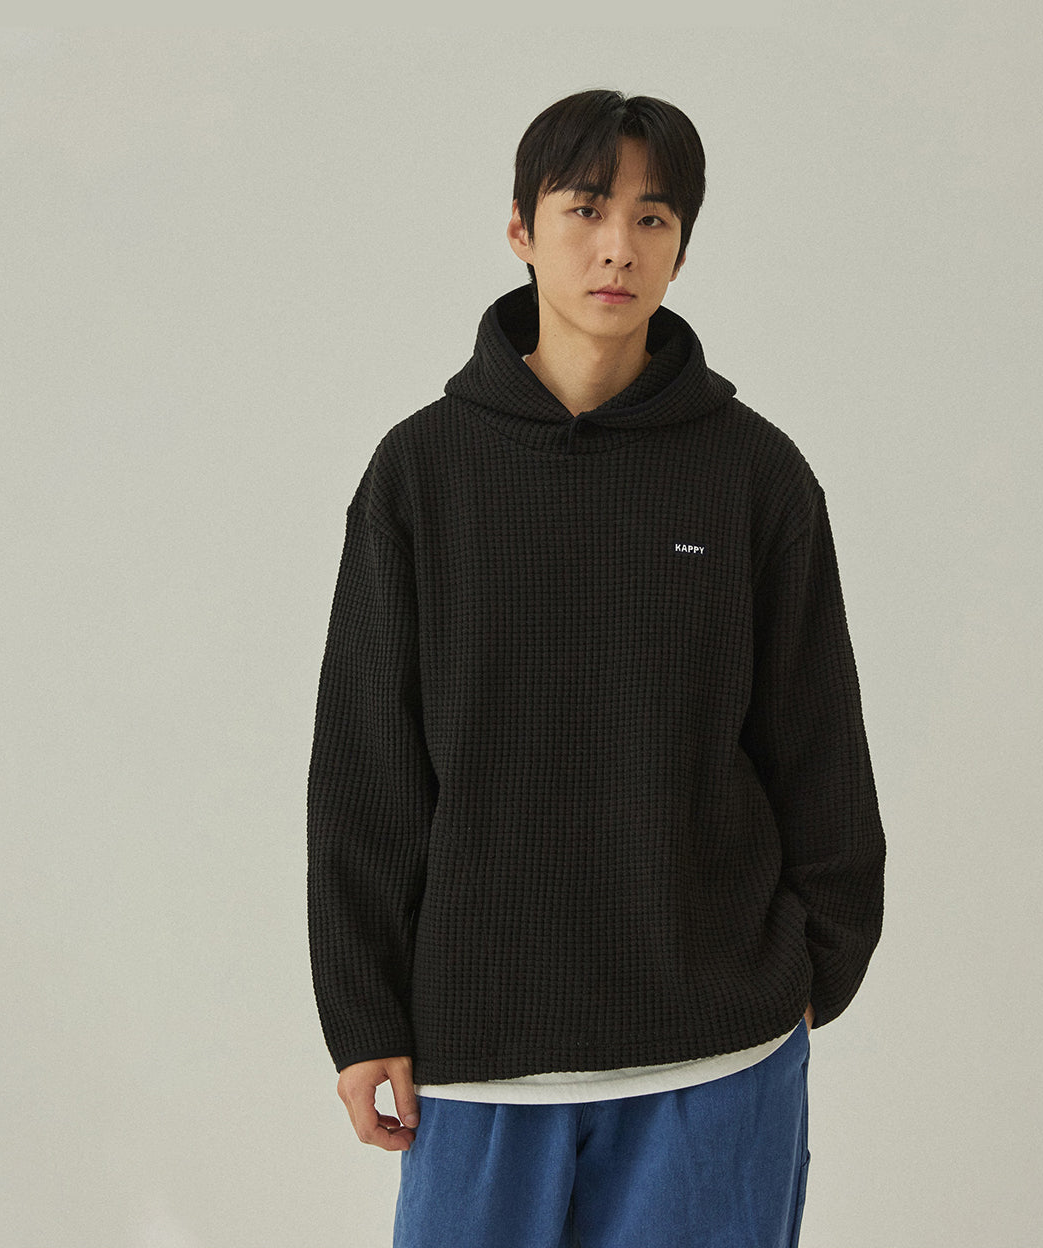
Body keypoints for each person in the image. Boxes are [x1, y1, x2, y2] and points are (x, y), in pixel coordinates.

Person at [307, 88, 885, 1248]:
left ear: (682, 248)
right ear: (521, 230)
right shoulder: (421, 475)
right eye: (585, 209)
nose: (618, 246)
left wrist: (817, 964)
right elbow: (368, 767)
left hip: (717, 1054)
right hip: (481, 1057)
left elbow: (817, 744)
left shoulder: (756, 476)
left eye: (653, 218)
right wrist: (363, 1013)